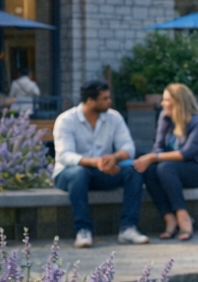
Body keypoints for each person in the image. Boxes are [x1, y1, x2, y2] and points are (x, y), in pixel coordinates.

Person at [52, 80, 148, 248]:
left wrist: (114, 158)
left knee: (134, 169)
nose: (110, 102)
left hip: (102, 171)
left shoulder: (114, 117)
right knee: (79, 173)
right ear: (90, 101)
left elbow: (128, 147)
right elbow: (65, 155)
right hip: (68, 174)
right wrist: (95, 162)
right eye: (105, 98)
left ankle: (128, 228)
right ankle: (83, 230)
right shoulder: (66, 120)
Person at [132, 82, 198, 240]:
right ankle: (169, 218)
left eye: (166, 100)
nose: (162, 104)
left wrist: (153, 157)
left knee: (165, 168)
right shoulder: (165, 117)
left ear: (179, 102)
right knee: (150, 169)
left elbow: (187, 153)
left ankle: (183, 217)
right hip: (171, 170)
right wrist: (152, 158)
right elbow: (158, 147)